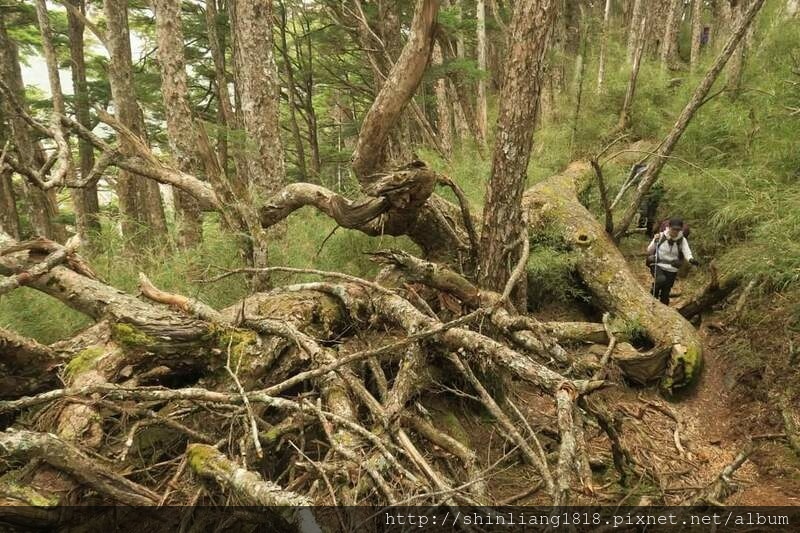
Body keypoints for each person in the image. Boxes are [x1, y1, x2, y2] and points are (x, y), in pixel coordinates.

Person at [646, 217, 699, 305]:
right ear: (669, 227)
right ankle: (652, 296)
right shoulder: (661, 236)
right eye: (674, 229)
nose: (675, 231)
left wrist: (691, 260)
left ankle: (663, 309)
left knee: (666, 292)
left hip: (672, 268)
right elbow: (649, 250)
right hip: (657, 264)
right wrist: (655, 241)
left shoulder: (682, 240)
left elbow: (687, 252)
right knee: (660, 280)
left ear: (680, 230)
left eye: (678, 229)